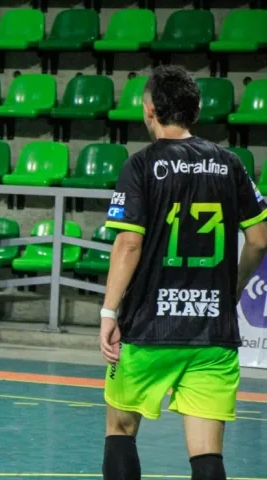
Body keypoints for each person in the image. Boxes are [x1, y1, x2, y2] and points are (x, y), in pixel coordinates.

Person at [99, 64, 267, 480]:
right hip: (214, 331)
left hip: (147, 327)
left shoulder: (140, 166)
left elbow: (128, 243)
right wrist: (233, 286)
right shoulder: (231, 163)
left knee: (120, 430)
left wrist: (107, 312)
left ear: (151, 110)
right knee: (207, 453)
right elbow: (260, 239)